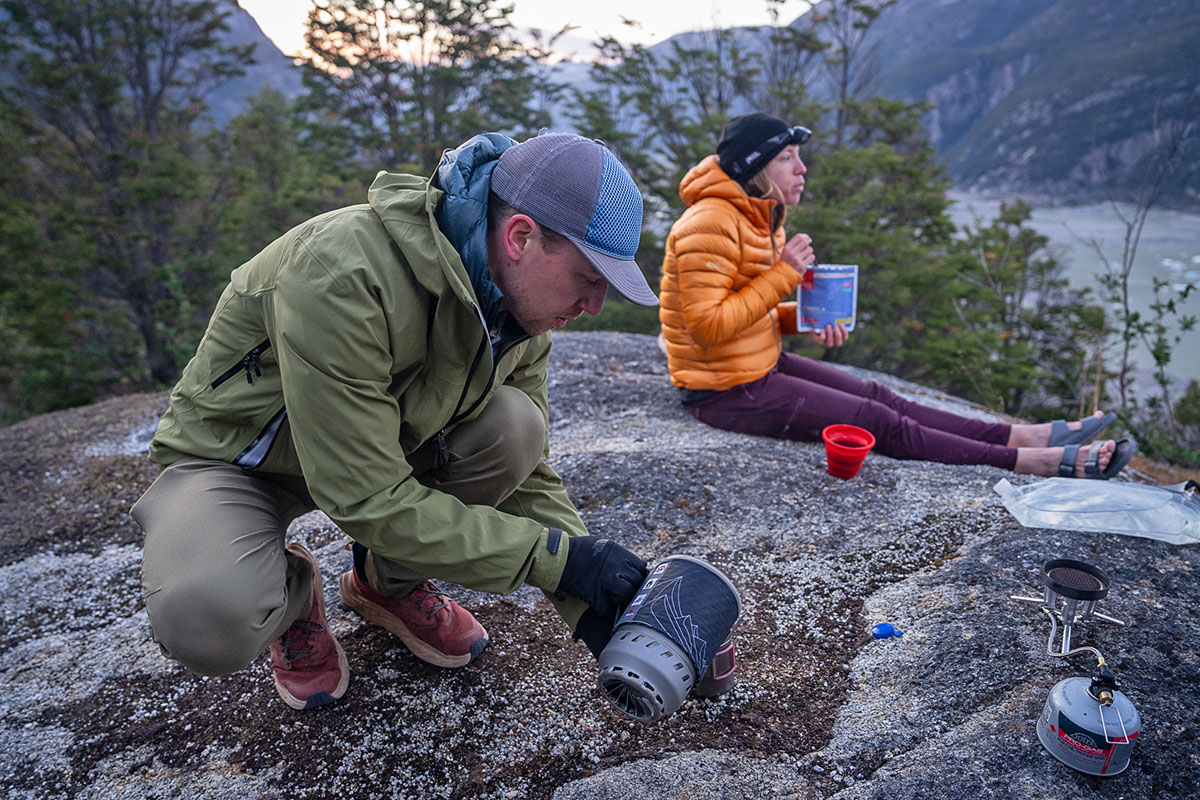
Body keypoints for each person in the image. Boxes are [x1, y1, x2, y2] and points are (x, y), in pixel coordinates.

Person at [131, 131, 655, 711]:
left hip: (379, 445)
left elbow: (529, 475)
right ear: (520, 237)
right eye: (589, 278)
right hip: (242, 460)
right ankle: (292, 594)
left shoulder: (519, 311)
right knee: (206, 617)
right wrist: (553, 563)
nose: (595, 305)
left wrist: (595, 602)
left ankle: (387, 586)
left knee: (517, 427)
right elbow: (366, 495)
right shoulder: (341, 270)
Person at [658, 112, 1134, 480]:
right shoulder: (710, 223)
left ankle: (1022, 435)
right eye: (787, 158)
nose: (803, 168)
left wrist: (803, 318)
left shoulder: (757, 216)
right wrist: (785, 274)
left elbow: (746, 313)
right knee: (873, 420)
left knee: (878, 395)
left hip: (752, 366)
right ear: (756, 167)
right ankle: (1037, 462)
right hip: (721, 391)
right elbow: (706, 326)